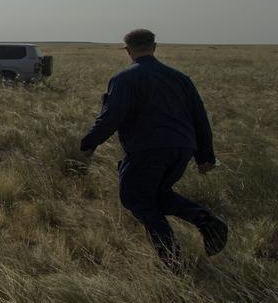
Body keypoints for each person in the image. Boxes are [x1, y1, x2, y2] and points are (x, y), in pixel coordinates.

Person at [79, 28, 229, 267]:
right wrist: (205, 156)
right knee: (157, 195)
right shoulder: (181, 78)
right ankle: (204, 220)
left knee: (137, 199)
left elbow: (111, 117)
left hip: (147, 149)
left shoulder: (124, 79)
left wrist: (88, 144)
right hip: (182, 149)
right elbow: (200, 117)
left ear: (128, 50)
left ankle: (172, 260)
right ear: (155, 47)